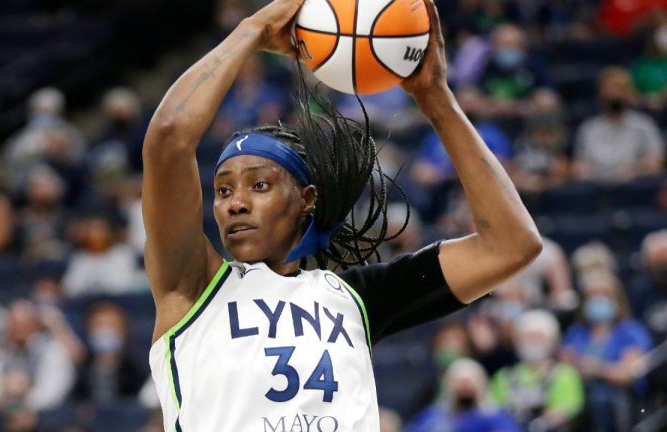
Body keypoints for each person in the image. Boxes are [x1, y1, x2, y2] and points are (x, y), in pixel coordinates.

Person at [142, 0, 542, 429]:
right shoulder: (192, 287)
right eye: (222, 191)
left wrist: (435, 98)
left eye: (259, 185)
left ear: (306, 198)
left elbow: (511, 245)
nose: (234, 203)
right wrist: (253, 30)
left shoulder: (354, 298)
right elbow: (169, 138)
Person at [560, 269, 653, 432]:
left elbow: (627, 374)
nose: (597, 299)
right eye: (592, 295)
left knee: (601, 400)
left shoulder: (630, 331)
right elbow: (564, 366)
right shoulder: (576, 332)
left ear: (616, 298)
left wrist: (595, 368)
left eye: (603, 294)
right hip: (580, 397)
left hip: (620, 400)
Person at [491, 310, 584, 431]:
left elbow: (569, 408)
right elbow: (493, 409)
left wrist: (541, 422)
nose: (533, 342)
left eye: (539, 337)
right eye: (528, 337)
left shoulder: (564, 374)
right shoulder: (504, 376)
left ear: (551, 341)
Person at [573, 67, 664, 183]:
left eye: (620, 89)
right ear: (601, 93)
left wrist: (634, 169)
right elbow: (579, 165)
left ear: (628, 93)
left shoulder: (643, 125)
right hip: (598, 191)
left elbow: (656, 161)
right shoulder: (588, 128)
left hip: (634, 190)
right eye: (610, 89)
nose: (615, 94)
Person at [404, 358, 521, 432]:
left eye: (469, 383)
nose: (465, 388)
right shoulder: (432, 418)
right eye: (460, 383)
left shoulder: (495, 418)